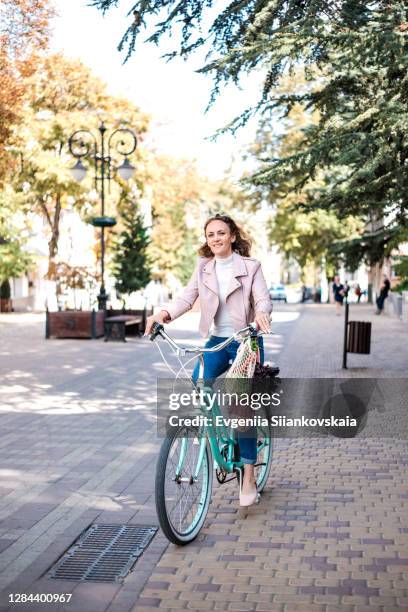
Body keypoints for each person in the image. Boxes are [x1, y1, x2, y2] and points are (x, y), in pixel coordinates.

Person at [144, 213, 272, 507]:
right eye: (210, 234)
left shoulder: (251, 267)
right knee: (200, 390)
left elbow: (262, 298)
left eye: (221, 233)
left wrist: (262, 313)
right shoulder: (204, 268)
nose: (215, 238)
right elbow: (186, 299)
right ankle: (215, 438)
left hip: (244, 341)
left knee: (241, 409)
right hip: (216, 341)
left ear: (233, 236)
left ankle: (249, 475)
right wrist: (161, 315)